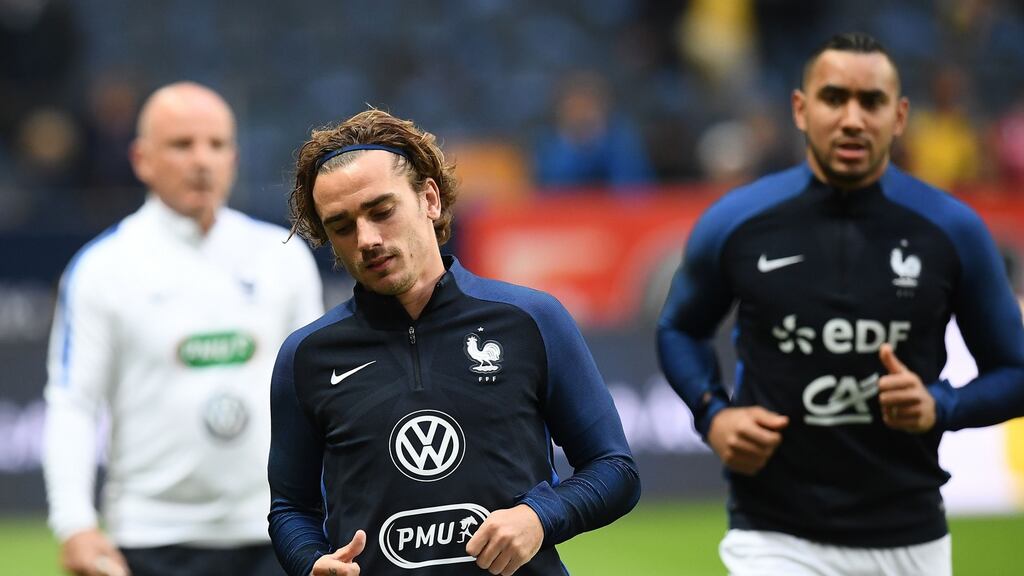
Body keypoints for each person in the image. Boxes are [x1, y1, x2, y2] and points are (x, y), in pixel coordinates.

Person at [657, 32, 1024, 576]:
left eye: (871, 101)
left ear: (899, 117)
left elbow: (1016, 371)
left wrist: (940, 407)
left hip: (911, 538)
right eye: (834, 98)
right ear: (802, 110)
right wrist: (713, 413)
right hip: (773, 535)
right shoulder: (736, 222)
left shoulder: (953, 231)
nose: (852, 118)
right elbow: (678, 330)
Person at [268, 109, 640, 576]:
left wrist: (538, 518)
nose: (366, 239)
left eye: (382, 211)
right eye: (341, 226)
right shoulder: (306, 357)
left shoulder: (530, 320)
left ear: (429, 199)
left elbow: (615, 471)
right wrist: (311, 564)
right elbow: (290, 509)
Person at [42, 82, 324, 576]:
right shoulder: (101, 268)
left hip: (276, 530)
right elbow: (73, 404)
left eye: (216, 145)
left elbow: (319, 394)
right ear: (141, 158)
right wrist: (75, 523)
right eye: (181, 144)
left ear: (234, 157)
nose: (202, 160)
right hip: (151, 537)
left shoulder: (283, 256)